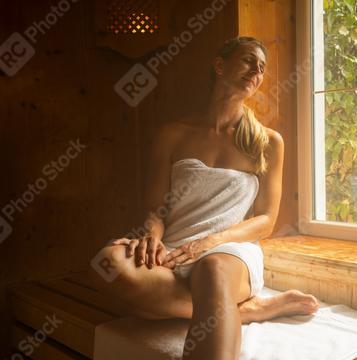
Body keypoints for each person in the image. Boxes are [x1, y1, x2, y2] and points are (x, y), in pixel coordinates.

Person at [89, 36, 319, 360]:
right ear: (219, 65)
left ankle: (225, 299)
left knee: (211, 271)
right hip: (174, 251)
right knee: (107, 263)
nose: (257, 70)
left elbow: (266, 220)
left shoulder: (267, 142)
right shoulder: (173, 133)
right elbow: (155, 208)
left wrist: (211, 241)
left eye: (262, 67)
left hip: (229, 252)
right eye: (248, 60)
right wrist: (151, 237)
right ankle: (246, 310)